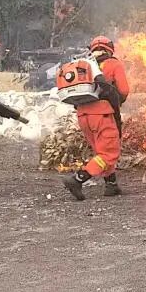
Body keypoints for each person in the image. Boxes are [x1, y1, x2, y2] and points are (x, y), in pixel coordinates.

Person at [62, 36, 129, 201]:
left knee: (101, 151)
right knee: (109, 153)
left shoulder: (81, 66)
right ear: (110, 49)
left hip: (83, 115)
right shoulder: (113, 64)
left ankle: (111, 184)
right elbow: (124, 90)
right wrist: (117, 100)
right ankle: (78, 179)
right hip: (102, 114)